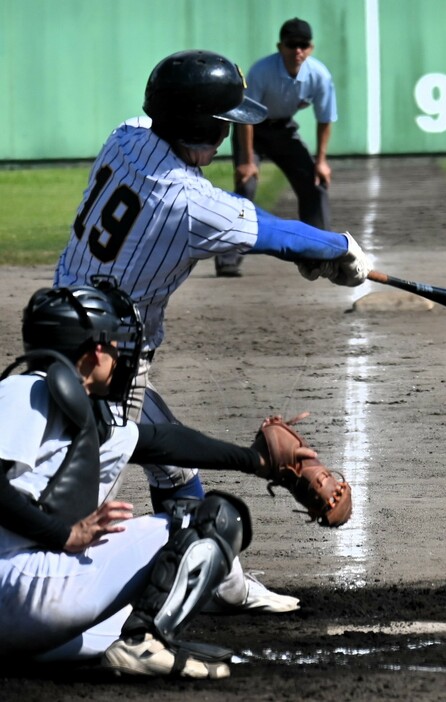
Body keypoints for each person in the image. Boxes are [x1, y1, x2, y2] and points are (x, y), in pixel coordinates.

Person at [53, 50, 369, 615]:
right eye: (223, 122)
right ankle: (64, 602)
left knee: (171, 464)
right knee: (74, 507)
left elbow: (259, 231)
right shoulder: (187, 201)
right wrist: (340, 250)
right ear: (201, 126)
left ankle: (218, 578)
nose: (229, 132)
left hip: (57, 328)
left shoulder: (126, 136)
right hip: (107, 361)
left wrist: (313, 253)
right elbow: (272, 231)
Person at [0, 281, 317, 677]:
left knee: (124, 613)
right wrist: (63, 535)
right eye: (113, 343)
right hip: (21, 586)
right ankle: (143, 642)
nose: (118, 354)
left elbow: (164, 442)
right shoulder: (21, 392)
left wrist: (257, 461)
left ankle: (126, 635)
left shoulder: (80, 413)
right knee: (210, 518)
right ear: (94, 351)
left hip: (27, 607)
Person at [215, 17, 337, 277]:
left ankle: (320, 252)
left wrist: (322, 160)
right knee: (246, 185)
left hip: (283, 129)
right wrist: (247, 160)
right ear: (280, 46)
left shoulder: (319, 75)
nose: (297, 51)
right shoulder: (262, 71)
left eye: (303, 45)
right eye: (292, 45)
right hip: (253, 129)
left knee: (315, 183)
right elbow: (246, 118)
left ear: (311, 48)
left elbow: (325, 118)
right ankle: (227, 259)